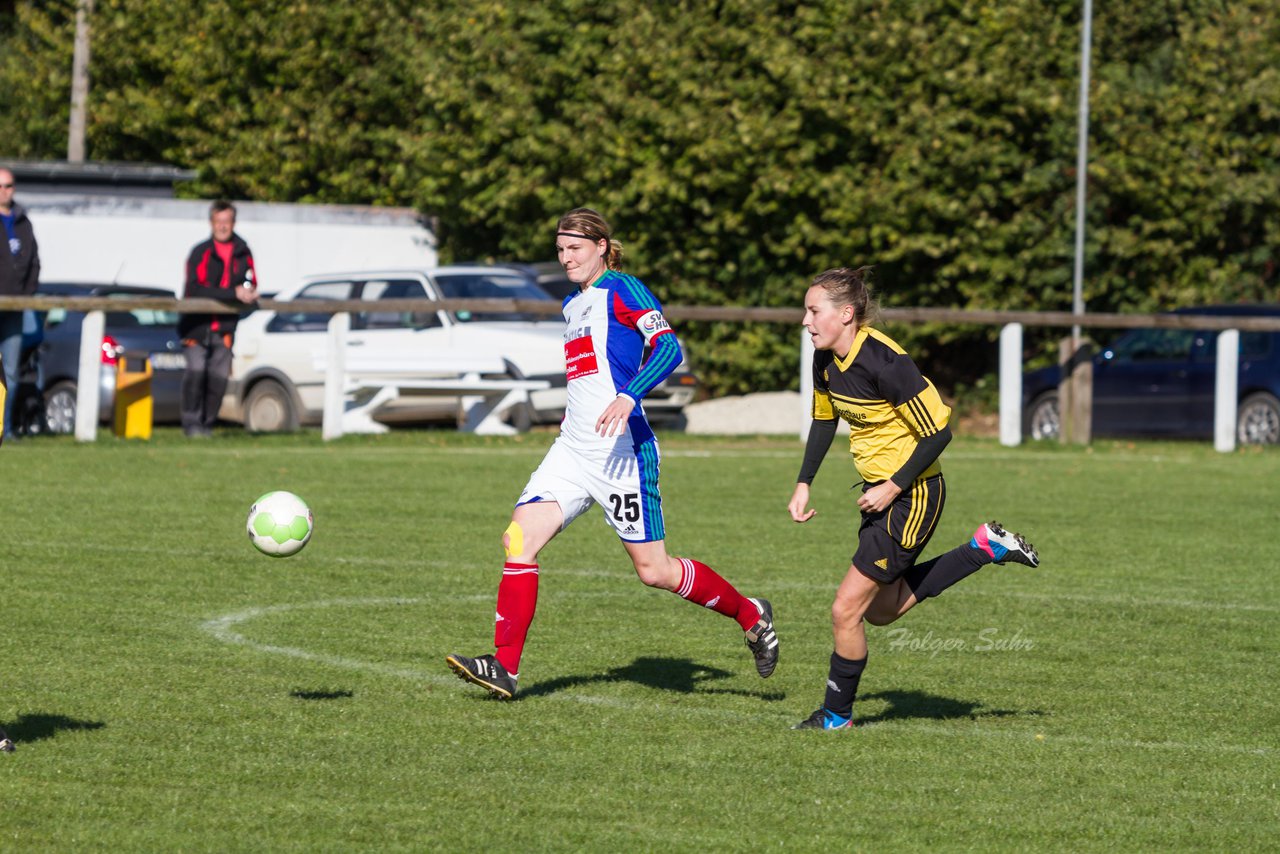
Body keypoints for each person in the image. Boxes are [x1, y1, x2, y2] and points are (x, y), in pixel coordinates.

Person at [446, 207, 778, 699]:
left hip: (622, 453)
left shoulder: (625, 289)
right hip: (573, 451)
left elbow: (668, 349)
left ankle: (752, 615)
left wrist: (629, 395)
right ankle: (505, 668)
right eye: (560, 249)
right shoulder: (570, 305)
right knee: (519, 539)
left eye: (575, 248)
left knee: (655, 571)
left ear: (602, 246)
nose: (565, 258)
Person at [788, 266, 1039, 730]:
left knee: (846, 610)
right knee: (880, 611)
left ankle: (835, 717)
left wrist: (893, 485)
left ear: (846, 314)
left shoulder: (885, 362)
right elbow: (824, 421)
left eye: (813, 310)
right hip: (879, 495)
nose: (805, 321)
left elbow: (939, 432)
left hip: (913, 493)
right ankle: (983, 548)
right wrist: (805, 481)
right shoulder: (824, 360)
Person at [179, 200, 258, 437]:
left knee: (218, 379)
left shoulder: (243, 251)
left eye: (227, 221)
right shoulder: (200, 252)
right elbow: (194, 288)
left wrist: (249, 291)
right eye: (219, 221)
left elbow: (251, 280)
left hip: (224, 327)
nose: (223, 226)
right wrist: (231, 293)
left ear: (233, 222)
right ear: (211, 223)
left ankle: (207, 425)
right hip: (196, 326)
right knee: (196, 373)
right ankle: (191, 425)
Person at [0, 167, 41, 442]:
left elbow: (35, 264)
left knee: (12, 372)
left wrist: (25, 294)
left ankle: (7, 427)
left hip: (14, 308)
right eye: (0, 186)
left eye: (9, 186)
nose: (5, 191)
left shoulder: (23, 221)